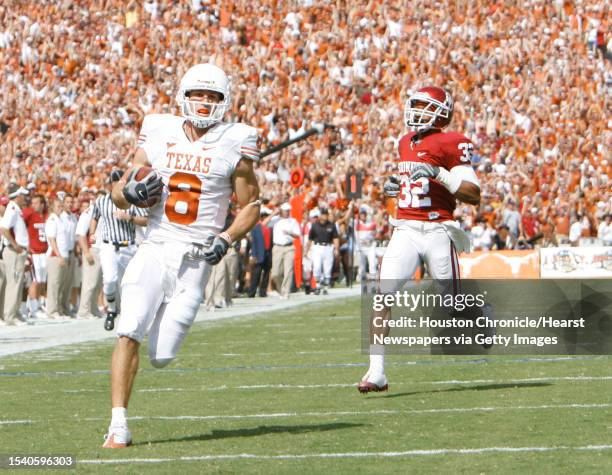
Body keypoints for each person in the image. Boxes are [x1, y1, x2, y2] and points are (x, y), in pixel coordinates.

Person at [102, 63, 261, 448]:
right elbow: (118, 190)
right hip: (155, 246)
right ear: (184, 96)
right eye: (197, 95)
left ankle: (158, 331)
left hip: (195, 258)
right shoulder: (158, 130)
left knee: (162, 355)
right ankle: (118, 424)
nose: (204, 103)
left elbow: (251, 204)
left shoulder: (236, 140)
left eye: (212, 96)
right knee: (128, 329)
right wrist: (131, 194)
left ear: (224, 101)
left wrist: (225, 237)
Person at [358, 86, 486, 393]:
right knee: (382, 294)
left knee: (451, 304)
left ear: (442, 112)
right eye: (413, 104)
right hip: (406, 229)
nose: (415, 110)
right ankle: (377, 372)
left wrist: (439, 174)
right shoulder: (405, 141)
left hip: (438, 228)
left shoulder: (453, 142)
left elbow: (473, 195)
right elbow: (413, 181)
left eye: (422, 106)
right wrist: (397, 187)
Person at [90, 171, 148, 331]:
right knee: (109, 279)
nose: (116, 184)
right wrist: (92, 233)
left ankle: (128, 315)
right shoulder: (101, 201)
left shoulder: (133, 200)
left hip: (128, 246)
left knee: (128, 284)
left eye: (119, 181)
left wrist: (130, 218)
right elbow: (94, 216)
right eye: (114, 182)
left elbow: (146, 220)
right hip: (108, 245)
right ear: (110, 184)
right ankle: (111, 310)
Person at [0, 184, 30, 325]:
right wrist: (15, 245)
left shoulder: (16, 209)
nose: (25, 197)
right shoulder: (12, 208)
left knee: (18, 283)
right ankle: (10, 316)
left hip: (18, 251)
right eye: (22, 194)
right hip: (13, 251)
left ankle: (15, 313)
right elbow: (4, 229)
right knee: (13, 283)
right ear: (17, 196)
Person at [22, 194, 49, 319]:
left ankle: (38, 304)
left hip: (44, 252)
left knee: (42, 281)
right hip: (34, 252)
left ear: (42, 204)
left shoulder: (47, 216)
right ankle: (33, 308)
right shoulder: (30, 214)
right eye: (32, 203)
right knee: (35, 281)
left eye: (36, 203)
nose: (34, 205)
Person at [76, 197, 103, 319]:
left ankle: (93, 308)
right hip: (92, 249)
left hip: (102, 249)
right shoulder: (88, 212)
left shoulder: (102, 211)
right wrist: (86, 252)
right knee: (89, 282)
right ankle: (83, 311)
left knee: (97, 283)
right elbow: (80, 234)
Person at [45, 196, 71, 319]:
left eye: (61, 206)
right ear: (52, 207)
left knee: (61, 284)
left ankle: (59, 309)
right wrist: (59, 255)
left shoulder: (60, 219)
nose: (61, 208)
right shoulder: (52, 220)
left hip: (63, 255)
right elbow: (51, 239)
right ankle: (52, 310)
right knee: (54, 284)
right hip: (55, 256)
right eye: (58, 206)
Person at [305, 208, 340, 295]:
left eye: (326, 214)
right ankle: (317, 286)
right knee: (317, 267)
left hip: (328, 247)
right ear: (320, 215)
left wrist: (336, 249)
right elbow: (310, 239)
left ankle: (325, 287)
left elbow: (335, 238)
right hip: (317, 247)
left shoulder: (331, 225)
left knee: (327, 268)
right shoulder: (314, 226)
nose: (325, 216)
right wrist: (306, 250)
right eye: (323, 214)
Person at [271, 202, 301, 298]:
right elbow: (264, 223)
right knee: (275, 273)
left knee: (288, 270)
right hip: (277, 247)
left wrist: (290, 233)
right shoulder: (275, 220)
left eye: (288, 210)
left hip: (289, 247)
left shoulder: (293, 221)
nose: (287, 212)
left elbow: (297, 235)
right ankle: (281, 289)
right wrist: (273, 214)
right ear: (281, 211)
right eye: (285, 211)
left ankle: (286, 291)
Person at [248, 207, 273, 298]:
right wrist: (253, 255)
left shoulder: (269, 228)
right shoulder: (256, 227)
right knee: (256, 274)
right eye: (265, 216)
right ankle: (252, 292)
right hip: (259, 253)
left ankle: (263, 292)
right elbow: (253, 243)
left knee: (266, 273)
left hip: (267, 252)